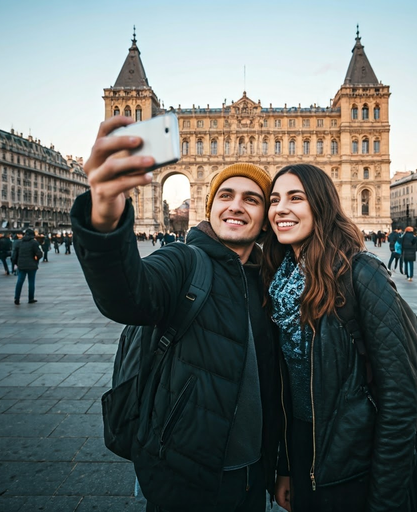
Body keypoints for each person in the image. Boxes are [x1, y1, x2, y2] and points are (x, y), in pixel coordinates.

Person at [70, 116, 282, 512]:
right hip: (185, 479)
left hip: (254, 478)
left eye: (252, 199)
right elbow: (127, 297)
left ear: (265, 217)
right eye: (226, 195)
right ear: (211, 207)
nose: (236, 205)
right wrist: (104, 217)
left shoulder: (269, 281)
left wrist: (282, 466)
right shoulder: (184, 261)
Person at [262, 164, 417, 512]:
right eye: (274, 199)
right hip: (306, 453)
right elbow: (288, 390)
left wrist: (385, 500)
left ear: (321, 205)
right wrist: (286, 467)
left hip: (359, 460)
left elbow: (398, 400)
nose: (281, 208)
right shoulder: (277, 280)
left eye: (296, 198)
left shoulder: (361, 273)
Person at [13, 228, 43, 305]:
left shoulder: (19, 243)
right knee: (31, 282)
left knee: (19, 281)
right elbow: (39, 253)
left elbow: (14, 255)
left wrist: (16, 263)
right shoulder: (34, 243)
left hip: (21, 265)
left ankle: (17, 298)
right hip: (32, 265)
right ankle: (31, 298)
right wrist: (36, 259)